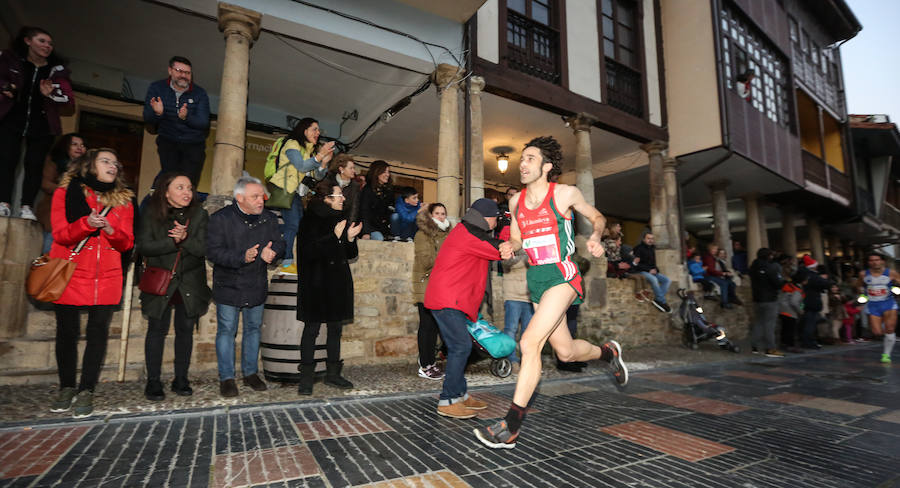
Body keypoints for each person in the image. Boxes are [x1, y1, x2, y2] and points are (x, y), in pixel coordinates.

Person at [474, 136, 626, 450]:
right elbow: (517, 238)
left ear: (547, 166)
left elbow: (598, 218)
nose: (523, 164)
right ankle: (608, 352)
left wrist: (596, 237)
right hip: (537, 280)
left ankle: (511, 426)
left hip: (563, 274)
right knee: (566, 352)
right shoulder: (516, 202)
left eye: (530, 158)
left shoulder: (565, 194)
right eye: (522, 159)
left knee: (529, 342)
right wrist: (510, 246)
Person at [48, 148, 134, 418]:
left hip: (107, 276)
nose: (113, 166)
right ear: (89, 166)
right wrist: (86, 223)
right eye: (105, 161)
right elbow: (60, 234)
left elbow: (127, 242)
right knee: (67, 333)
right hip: (71, 272)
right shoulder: (66, 192)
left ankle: (86, 389)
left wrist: (110, 229)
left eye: (115, 162)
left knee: (97, 335)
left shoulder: (124, 201)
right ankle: (66, 387)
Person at [424, 198, 509, 419]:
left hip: (452, 299)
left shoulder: (468, 230)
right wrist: (514, 233)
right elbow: (500, 250)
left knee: (459, 347)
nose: (496, 223)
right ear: (487, 218)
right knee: (461, 346)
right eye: (496, 219)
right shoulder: (469, 235)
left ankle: (459, 394)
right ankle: (448, 400)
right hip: (447, 300)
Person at [207, 176, 286, 397]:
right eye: (255, 196)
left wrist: (275, 252)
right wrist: (241, 256)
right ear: (239, 198)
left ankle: (250, 373)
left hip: (256, 283)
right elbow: (213, 252)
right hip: (228, 284)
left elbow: (280, 243)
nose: (261, 200)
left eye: (261, 196)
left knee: (253, 329)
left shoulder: (268, 219)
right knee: (226, 331)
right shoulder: (220, 219)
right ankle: (227, 378)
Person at [136, 172, 211, 401]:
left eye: (189, 187)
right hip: (161, 281)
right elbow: (145, 246)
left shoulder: (200, 214)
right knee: (156, 331)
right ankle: (153, 381)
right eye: (180, 187)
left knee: (185, 331)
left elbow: (203, 249)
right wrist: (173, 242)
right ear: (165, 191)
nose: (187, 192)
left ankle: (181, 379)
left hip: (189, 283)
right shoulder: (151, 212)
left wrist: (186, 239)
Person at [0, 26, 74, 220]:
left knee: (34, 164)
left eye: (50, 43)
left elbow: (68, 100)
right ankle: (4, 203)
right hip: (11, 119)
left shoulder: (56, 72)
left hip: (42, 124)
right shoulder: (10, 60)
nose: (47, 46)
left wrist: (49, 95)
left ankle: (26, 207)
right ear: (27, 41)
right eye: (42, 41)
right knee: (7, 160)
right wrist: (6, 87)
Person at [296, 181, 362, 395]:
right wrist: (333, 237)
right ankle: (306, 377)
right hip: (315, 283)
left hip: (337, 282)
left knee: (335, 329)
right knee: (311, 330)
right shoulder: (309, 220)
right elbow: (309, 252)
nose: (343, 198)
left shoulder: (339, 219)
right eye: (338, 195)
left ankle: (333, 374)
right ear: (326, 199)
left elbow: (349, 254)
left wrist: (350, 239)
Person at [272, 117, 334, 275]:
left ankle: (276, 241)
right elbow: (300, 166)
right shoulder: (292, 144)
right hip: (286, 189)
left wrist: (324, 162)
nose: (318, 133)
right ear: (304, 130)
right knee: (293, 225)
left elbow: (317, 176)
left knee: (299, 226)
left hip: (296, 194)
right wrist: (319, 155)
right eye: (315, 129)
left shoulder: (309, 151)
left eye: (319, 130)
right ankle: (286, 263)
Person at [142, 56, 210, 185]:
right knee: (170, 181)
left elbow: (203, 122)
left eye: (187, 73)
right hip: (168, 142)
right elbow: (148, 118)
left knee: (188, 183)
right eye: (179, 71)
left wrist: (186, 118)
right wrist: (158, 113)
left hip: (193, 145)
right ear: (170, 70)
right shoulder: (157, 88)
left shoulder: (200, 93)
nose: (183, 75)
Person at [412, 202, 451, 380]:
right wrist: (448, 257)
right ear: (430, 215)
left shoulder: (447, 234)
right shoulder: (423, 234)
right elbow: (426, 261)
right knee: (426, 326)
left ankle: (431, 363)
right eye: (437, 213)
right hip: (426, 285)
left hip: (440, 287)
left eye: (443, 213)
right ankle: (425, 365)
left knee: (435, 327)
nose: (441, 217)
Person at [37, 133, 86, 253]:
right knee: (50, 256)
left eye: (82, 145)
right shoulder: (54, 161)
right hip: (54, 216)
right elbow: (45, 184)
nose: (79, 147)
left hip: (79, 221)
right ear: (65, 146)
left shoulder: (88, 167)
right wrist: (70, 190)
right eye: (74, 144)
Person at [858, 252, 899, 363]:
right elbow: (859, 286)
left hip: (888, 303)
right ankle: (884, 327)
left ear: (882, 261)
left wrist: (896, 286)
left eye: (877, 260)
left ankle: (886, 354)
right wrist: (862, 293)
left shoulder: (891, 273)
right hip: (873, 304)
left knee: (890, 329)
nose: (874, 262)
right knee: (877, 332)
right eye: (871, 260)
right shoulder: (863, 274)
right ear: (868, 262)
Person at [749, 248, 785, 357]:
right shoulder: (770, 267)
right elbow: (777, 283)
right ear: (769, 256)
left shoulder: (753, 267)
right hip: (770, 298)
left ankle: (754, 345)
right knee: (769, 324)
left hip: (757, 298)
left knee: (759, 322)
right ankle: (770, 348)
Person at [632, 232, 672, 312]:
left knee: (667, 280)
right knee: (654, 280)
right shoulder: (638, 249)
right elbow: (635, 264)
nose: (650, 240)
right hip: (641, 271)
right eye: (648, 238)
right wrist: (648, 270)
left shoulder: (652, 248)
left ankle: (658, 299)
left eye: (652, 239)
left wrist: (656, 270)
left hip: (651, 271)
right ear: (644, 239)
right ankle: (662, 301)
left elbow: (653, 263)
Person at [800, 260, 831, 350]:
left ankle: (808, 341)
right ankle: (809, 342)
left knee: (809, 322)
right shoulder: (813, 276)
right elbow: (826, 284)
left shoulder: (805, 275)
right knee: (811, 324)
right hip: (813, 302)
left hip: (806, 302)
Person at [359, 160, 393, 240]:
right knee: (378, 238)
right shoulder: (367, 190)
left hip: (383, 228)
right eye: (384, 172)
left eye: (388, 172)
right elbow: (364, 212)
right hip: (370, 227)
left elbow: (390, 209)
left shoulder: (388, 190)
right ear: (376, 172)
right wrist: (366, 232)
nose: (387, 175)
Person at [327, 153, 361, 224]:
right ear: (341, 169)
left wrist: (349, 227)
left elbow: (354, 210)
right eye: (351, 168)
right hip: (326, 220)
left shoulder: (355, 186)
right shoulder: (328, 180)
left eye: (354, 168)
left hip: (342, 222)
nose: (354, 171)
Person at [702, 244, 739, 309]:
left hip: (714, 275)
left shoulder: (713, 257)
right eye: (714, 249)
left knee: (731, 283)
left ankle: (731, 298)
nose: (716, 250)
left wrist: (725, 273)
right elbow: (711, 270)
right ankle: (724, 303)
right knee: (724, 284)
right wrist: (722, 273)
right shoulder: (708, 257)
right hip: (708, 276)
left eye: (716, 249)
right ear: (710, 249)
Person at [778, 269, 806, 353]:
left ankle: (784, 344)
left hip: (782, 309)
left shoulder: (789, 286)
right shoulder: (797, 290)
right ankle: (790, 346)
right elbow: (794, 302)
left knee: (785, 328)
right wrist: (800, 311)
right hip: (790, 312)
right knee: (791, 329)